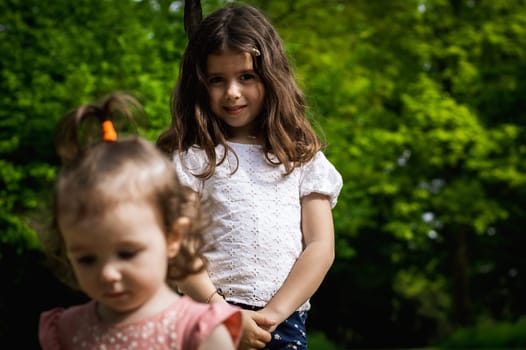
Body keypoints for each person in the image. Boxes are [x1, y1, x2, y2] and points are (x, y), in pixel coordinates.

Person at [156, 4, 343, 350]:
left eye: (246, 77)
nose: (232, 92)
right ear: (199, 84)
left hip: (283, 323)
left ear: (271, 76)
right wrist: (222, 313)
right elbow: (179, 248)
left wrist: (273, 314)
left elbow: (320, 246)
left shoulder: (302, 157)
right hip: (207, 319)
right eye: (216, 80)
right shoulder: (193, 159)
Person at [38, 92, 243, 350]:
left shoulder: (198, 330)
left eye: (126, 253)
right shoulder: (66, 331)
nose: (108, 274)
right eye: (86, 259)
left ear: (173, 237)